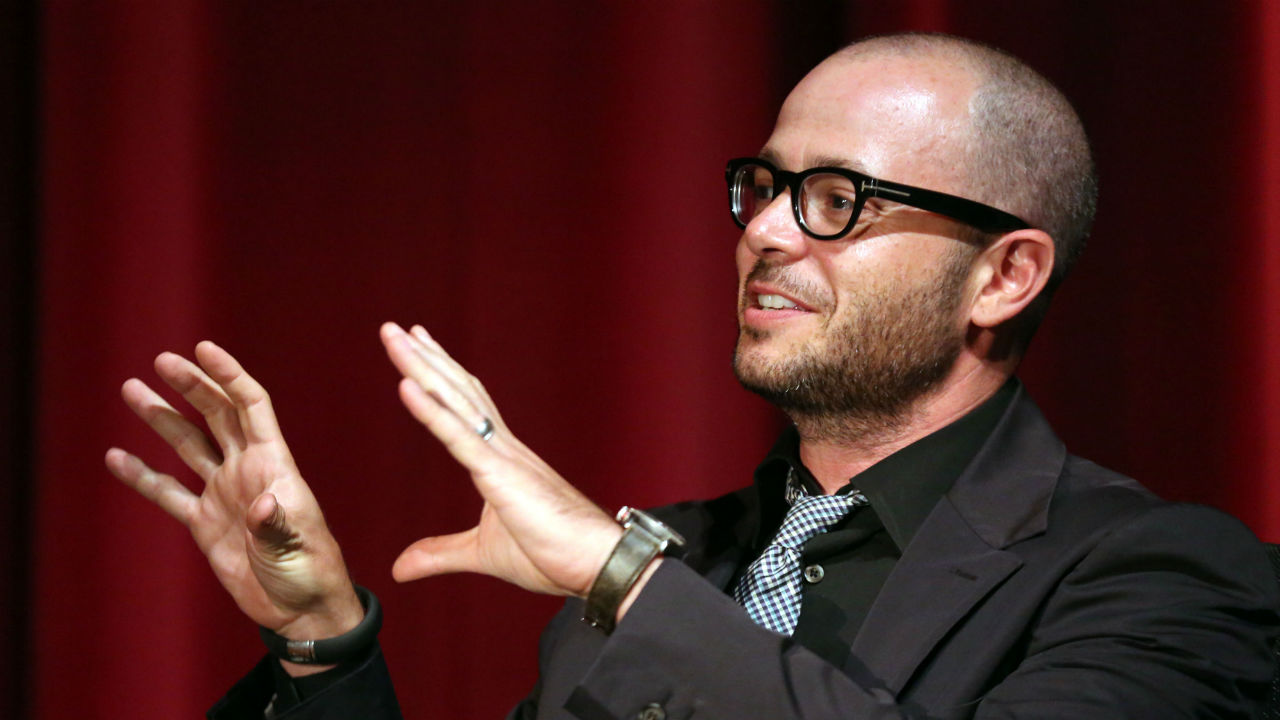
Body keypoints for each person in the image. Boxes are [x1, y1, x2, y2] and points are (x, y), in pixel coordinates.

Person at [106, 33, 1278, 720]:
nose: (765, 232)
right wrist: (324, 645)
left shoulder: (1167, 574)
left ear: (1002, 276)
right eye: (761, 187)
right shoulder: (674, 560)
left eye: (835, 201)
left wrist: (620, 577)